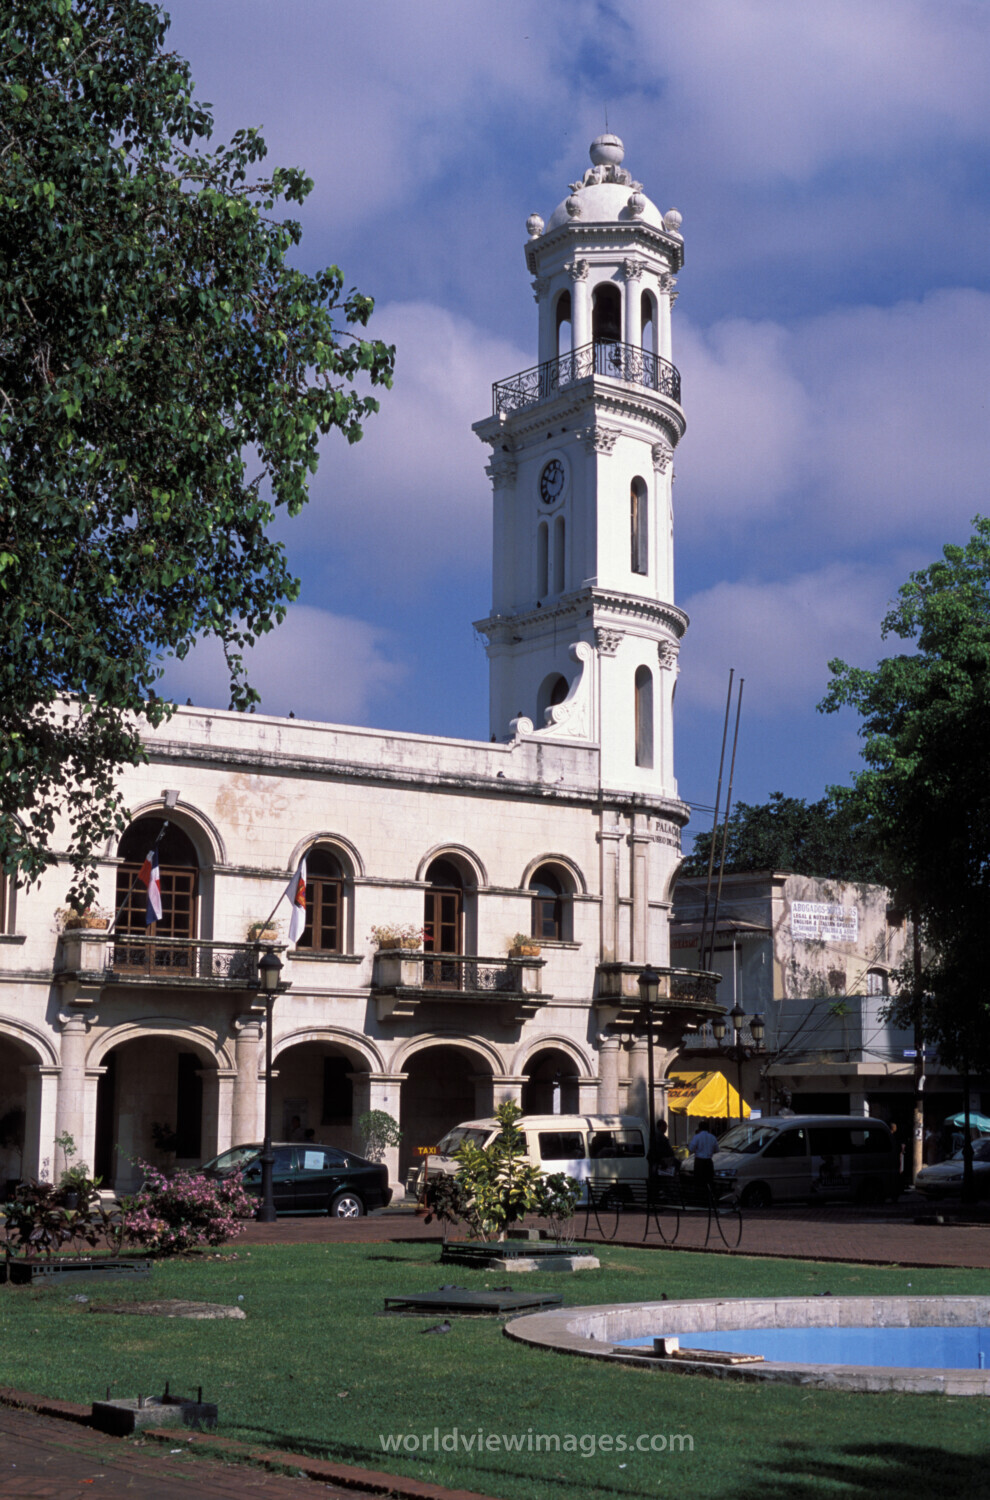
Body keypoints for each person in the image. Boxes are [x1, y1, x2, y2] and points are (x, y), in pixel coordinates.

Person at [688, 1118, 719, 1195]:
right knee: (709, 1181)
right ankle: (708, 1198)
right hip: (709, 1161)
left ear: (699, 1128)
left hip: (699, 1162)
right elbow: (717, 1150)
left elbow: (691, 1148)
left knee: (698, 1181)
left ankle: (699, 1198)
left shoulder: (697, 1137)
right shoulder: (712, 1137)